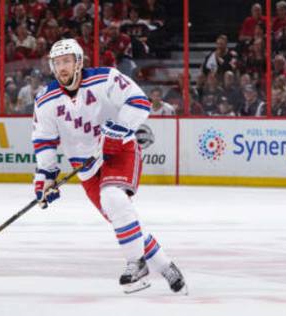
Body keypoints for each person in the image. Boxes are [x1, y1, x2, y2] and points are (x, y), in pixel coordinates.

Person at [32, 39, 187, 294]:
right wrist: (46, 177)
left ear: (78, 62)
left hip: (118, 151)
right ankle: (167, 267)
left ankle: (135, 264)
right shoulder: (46, 100)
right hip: (85, 167)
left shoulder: (105, 79)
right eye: (58, 62)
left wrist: (117, 130)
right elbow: (44, 140)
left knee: (114, 197)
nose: (62, 67)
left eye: (67, 61)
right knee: (122, 216)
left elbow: (138, 101)